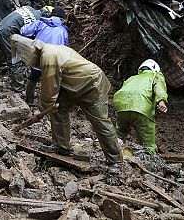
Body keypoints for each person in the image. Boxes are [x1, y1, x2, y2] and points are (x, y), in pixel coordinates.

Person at [11, 35, 123, 171]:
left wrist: (44, 107)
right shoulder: (50, 50)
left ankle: (114, 159)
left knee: (100, 121)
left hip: (92, 84)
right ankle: (61, 146)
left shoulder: (49, 57)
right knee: (58, 109)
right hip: (74, 84)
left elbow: (49, 88)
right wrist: (49, 105)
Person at [113, 59, 168, 153]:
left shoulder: (132, 78)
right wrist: (161, 101)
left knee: (119, 135)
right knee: (148, 144)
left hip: (122, 108)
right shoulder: (156, 75)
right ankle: (150, 161)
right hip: (142, 108)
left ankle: (113, 155)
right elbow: (159, 87)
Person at [19, 6, 69, 103]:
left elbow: (24, 31)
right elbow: (65, 48)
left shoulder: (40, 23)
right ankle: (46, 105)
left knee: (33, 78)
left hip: (38, 55)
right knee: (49, 83)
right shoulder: (63, 31)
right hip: (52, 59)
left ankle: (29, 100)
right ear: (61, 19)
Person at [0, 6, 45, 73]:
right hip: (7, 34)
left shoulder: (28, 7)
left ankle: (2, 68)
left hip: (0, 28)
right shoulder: (37, 21)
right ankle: (14, 80)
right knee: (14, 59)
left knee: (8, 52)